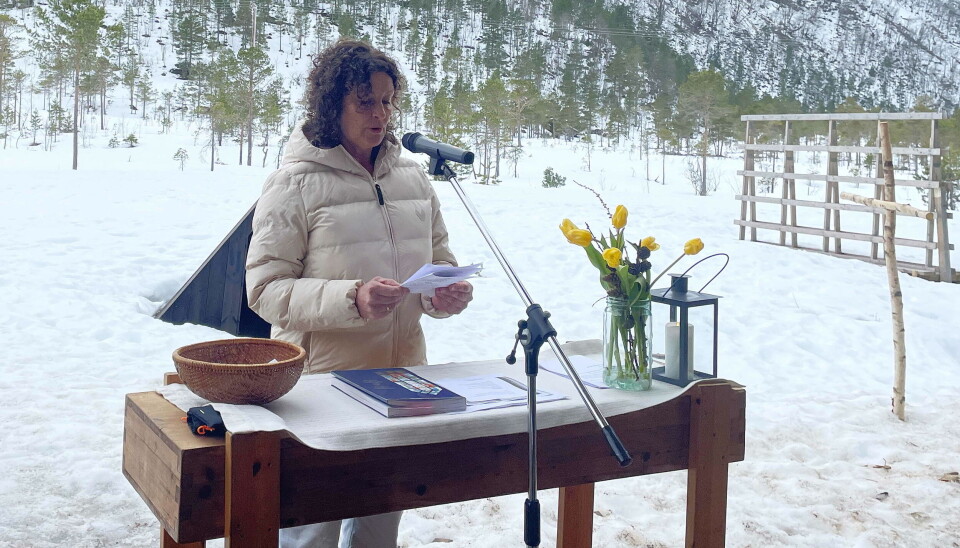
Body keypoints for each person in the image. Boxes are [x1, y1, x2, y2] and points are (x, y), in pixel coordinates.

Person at [245, 39, 473, 548]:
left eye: (388, 100)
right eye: (364, 102)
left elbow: (439, 262)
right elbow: (264, 290)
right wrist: (353, 298)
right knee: (312, 532)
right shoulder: (294, 183)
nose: (381, 113)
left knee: (378, 530)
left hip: (403, 383)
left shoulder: (414, 178)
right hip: (320, 387)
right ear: (333, 106)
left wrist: (444, 295)